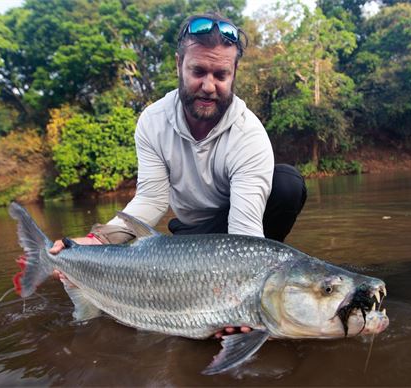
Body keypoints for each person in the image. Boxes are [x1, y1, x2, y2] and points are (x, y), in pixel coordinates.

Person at [48, 13, 307, 336]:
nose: (208, 86)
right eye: (198, 71)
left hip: (236, 239)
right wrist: (95, 240)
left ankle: (265, 293)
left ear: (234, 73)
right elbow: (151, 199)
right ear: (178, 65)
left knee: (286, 184)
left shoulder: (250, 135)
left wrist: (243, 295)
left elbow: (245, 232)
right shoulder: (152, 121)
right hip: (186, 241)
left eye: (221, 74)